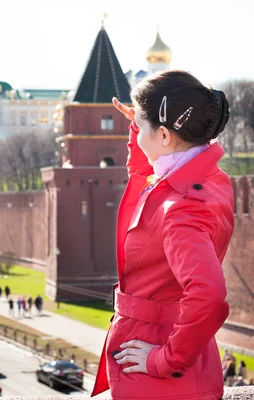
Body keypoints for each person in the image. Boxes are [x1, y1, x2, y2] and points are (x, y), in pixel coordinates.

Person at [92, 70, 233, 400]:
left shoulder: (181, 208)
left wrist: (162, 360)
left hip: (156, 372)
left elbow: (209, 296)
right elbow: (145, 173)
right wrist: (141, 124)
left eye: (143, 127)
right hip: (180, 364)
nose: (138, 133)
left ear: (166, 137)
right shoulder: (206, 178)